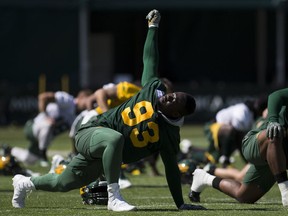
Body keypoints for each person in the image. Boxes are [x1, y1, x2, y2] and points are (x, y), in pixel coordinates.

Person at [11, 9, 206, 212]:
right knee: (115, 138)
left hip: (106, 153)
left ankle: (24, 183)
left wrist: (180, 204)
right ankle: (114, 197)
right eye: (173, 94)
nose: (169, 95)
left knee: (62, 183)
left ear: (176, 113)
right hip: (92, 131)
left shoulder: (169, 135)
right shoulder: (152, 89)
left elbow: (171, 170)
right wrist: (153, 28)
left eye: (174, 99)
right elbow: (150, 60)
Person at [189, 88, 288, 207]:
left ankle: (204, 178)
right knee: (274, 132)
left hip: (278, 154)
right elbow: (275, 96)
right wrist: (273, 120)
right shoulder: (250, 115)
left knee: (244, 196)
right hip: (259, 143)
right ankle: (286, 193)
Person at [10, 90, 92, 167]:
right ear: (81, 97)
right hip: (34, 127)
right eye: (88, 100)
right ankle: (43, 156)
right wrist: (45, 116)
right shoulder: (68, 100)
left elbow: (73, 135)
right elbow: (42, 97)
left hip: (46, 137)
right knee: (48, 125)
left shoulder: (78, 116)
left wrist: (75, 154)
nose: (89, 103)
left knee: (29, 159)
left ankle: (9, 150)